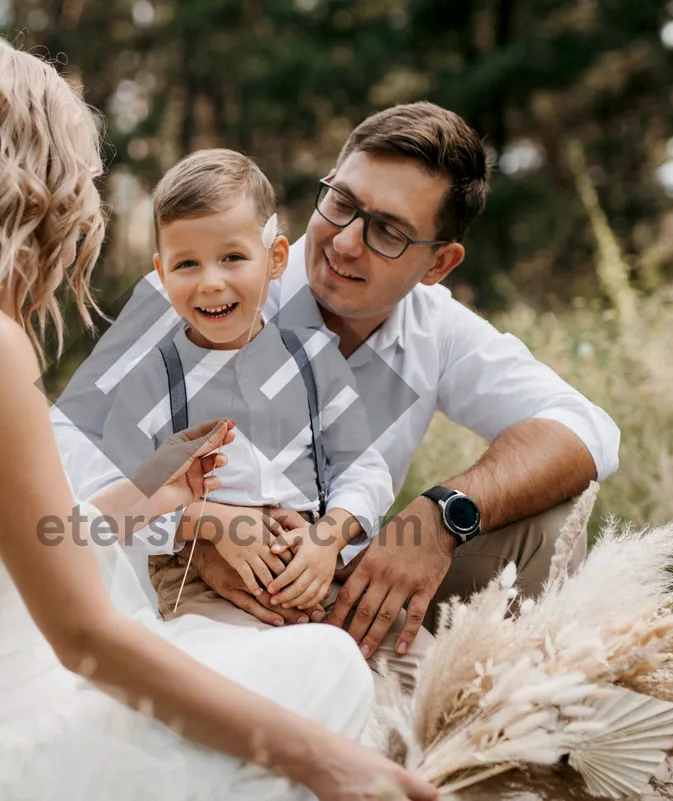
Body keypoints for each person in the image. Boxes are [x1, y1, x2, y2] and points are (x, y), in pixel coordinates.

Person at [0, 40, 436, 801]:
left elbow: (13, 551)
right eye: (78, 170)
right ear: (31, 182)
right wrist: (327, 760)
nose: (88, 197)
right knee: (326, 665)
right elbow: (85, 639)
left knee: (247, 656)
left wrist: (152, 494)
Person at [52, 102, 621, 690]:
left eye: (390, 232)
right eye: (343, 203)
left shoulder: (439, 331)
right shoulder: (203, 283)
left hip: (341, 581)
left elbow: (587, 428)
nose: (346, 242)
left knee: (552, 526)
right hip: (185, 591)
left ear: (439, 264)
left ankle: (512, 728)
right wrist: (194, 526)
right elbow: (59, 441)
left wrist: (436, 520)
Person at [91, 149, 394, 614]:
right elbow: (111, 513)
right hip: (198, 571)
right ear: (161, 274)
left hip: (314, 561)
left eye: (232, 257)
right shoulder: (150, 380)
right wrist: (209, 521)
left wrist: (328, 537)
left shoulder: (315, 361)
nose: (211, 282)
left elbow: (364, 469)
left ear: (274, 259)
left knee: (403, 668)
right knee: (246, 670)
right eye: (186, 264)